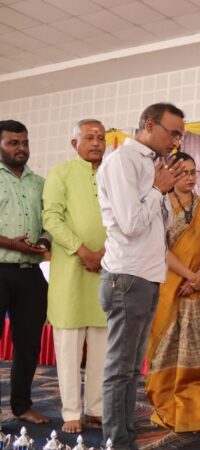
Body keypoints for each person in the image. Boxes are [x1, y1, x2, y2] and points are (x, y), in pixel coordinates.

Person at [97, 102, 186, 450]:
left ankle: (125, 439)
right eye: (172, 132)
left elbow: (160, 227)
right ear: (149, 124)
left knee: (132, 369)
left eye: (180, 135)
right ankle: (115, 447)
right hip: (127, 275)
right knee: (120, 369)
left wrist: (162, 190)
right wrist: (158, 190)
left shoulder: (151, 165)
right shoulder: (123, 161)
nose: (176, 141)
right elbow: (131, 224)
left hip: (147, 275)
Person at [145, 152, 200, 432]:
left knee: (195, 347)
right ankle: (167, 408)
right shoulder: (159, 204)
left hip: (198, 290)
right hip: (168, 285)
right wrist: (190, 275)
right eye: (183, 173)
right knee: (165, 346)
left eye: (193, 172)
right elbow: (159, 248)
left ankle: (196, 411)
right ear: (170, 174)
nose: (190, 178)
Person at [42, 119, 108, 433]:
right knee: (68, 345)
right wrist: (82, 251)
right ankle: (71, 411)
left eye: (101, 138)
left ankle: (96, 408)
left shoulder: (111, 175)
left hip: (106, 268)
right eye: (89, 137)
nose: (96, 143)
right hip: (71, 270)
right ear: (74, 144)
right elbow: (51, 218)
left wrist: (106, 252)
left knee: (101, 344)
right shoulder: (61, 173)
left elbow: (121, 217)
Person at [0, 119, 51, 424]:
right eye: (13, 143)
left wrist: (43, 241)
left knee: (29, 343)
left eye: (25, 143)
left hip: (31, 272)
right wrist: (11, 243)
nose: (21, 148)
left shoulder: (40, 183)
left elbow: (51, 222)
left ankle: (21, 406)